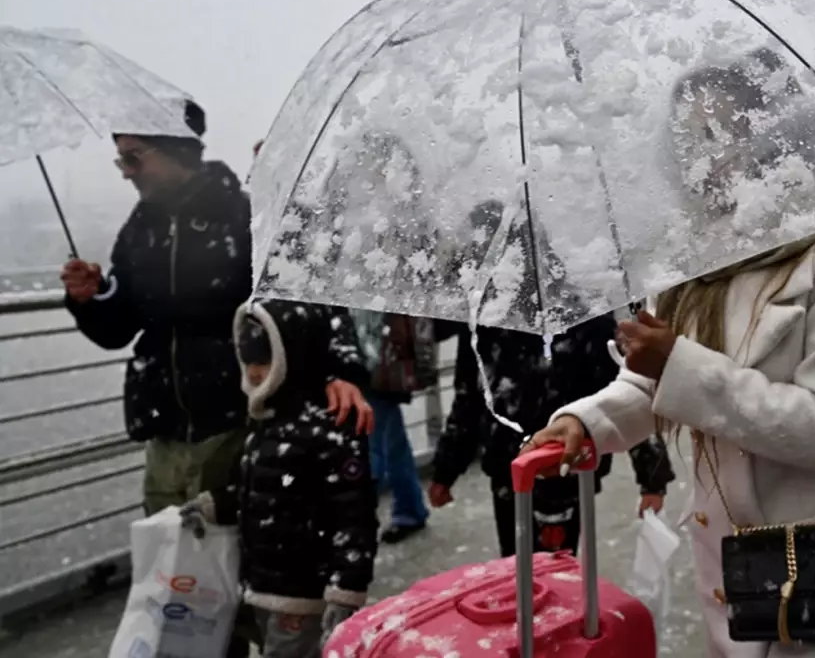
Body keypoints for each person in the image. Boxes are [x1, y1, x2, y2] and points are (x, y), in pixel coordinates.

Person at [525, 61, 815, 657]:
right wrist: (588, 421)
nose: (705, 156)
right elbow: (650, 386)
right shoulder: (688, 254)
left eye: (725, 132)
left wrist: (678, 365)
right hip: (737, 569)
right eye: (689, 138)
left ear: (777, 133)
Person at [60, 107, 372, 514]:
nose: (127, 173)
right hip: (164, 431)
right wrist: (92, 298)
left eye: (134, 158)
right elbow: (118, 329)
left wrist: (340, 372)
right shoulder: (140, 229)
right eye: (121, 161)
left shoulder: (246, 217)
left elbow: (310, 300)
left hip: (237, 426)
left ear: (176, 150)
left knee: (230, 544)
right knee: (165, 551)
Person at [428, 201, 674, 557]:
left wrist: (653, 477)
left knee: (540, 565)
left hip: (555, 460)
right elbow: (470, 396)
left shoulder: (569, 318)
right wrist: (445, 469)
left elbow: (625, 391)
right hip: (545, 464)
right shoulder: (498, 321)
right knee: (539, 565)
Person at [181, 299, 378, 657]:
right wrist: (217, 504)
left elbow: (354, 518)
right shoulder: (269, 419)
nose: (254, 373)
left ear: (294, 358)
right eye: (248, 361)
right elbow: (263, 490)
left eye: (264, 361)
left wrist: (345, 591)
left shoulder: (328, 429)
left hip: (304, 591)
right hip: (265, 584)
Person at [351, 309, 434, 544]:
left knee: (371, 449)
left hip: (371, 369)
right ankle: (410, 509)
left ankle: (358, 523)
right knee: (391, 443)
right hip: (386, 367)